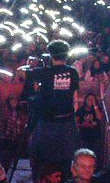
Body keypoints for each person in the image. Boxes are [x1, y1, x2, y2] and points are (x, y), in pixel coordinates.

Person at [26, 40, 81, 173]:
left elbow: (21, 73)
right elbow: (75, 97)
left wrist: (31, 65)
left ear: (51, 55)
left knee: (44, 158)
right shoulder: (73, 72)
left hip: (47, 122)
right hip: (67, 121)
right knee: (66, 159)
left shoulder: (44, 72)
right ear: (66, 55)